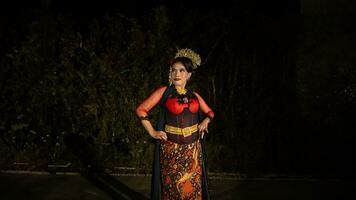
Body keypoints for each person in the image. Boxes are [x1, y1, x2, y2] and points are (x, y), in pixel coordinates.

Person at [136, 48, 214, 200]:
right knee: (173, 189)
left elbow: (210, 112)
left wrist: (206, 120)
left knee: (192, 190)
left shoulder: (195, 96)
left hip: (193, 151)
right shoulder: (164, 92)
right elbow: (141, 110)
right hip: (172, 150)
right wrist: (152, 132)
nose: (177, 74)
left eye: (181, 70)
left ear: (189, 75)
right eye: (174, 70)